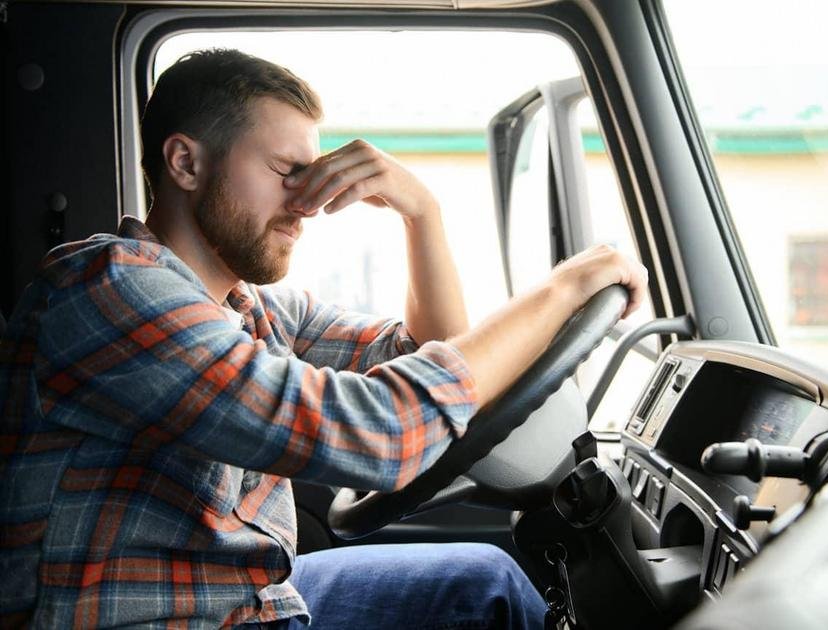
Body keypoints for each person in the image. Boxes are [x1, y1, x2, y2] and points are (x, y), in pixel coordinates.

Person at [0, 49, 648, 628]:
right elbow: (378, 433)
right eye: (288, 171)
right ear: (185, 162)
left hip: (247, 599)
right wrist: (562, 290)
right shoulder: (109, 291)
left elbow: (439, 357)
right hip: (161, 618)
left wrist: (421, 215)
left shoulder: (252, 311)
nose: (306, 203)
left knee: (484, 582)